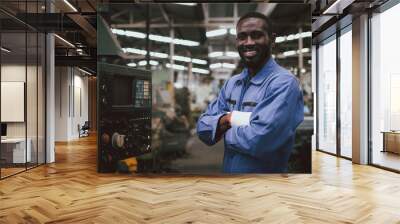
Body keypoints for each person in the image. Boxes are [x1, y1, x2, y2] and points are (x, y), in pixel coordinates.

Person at [196, 12, 304, 173]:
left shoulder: (284, 83)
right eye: (242, 37)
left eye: (256, 35)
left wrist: (221, 127)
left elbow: (261, 141)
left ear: (272, 39)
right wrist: (230, 119)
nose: (249, 43)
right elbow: (202, 127)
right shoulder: (232, 84)